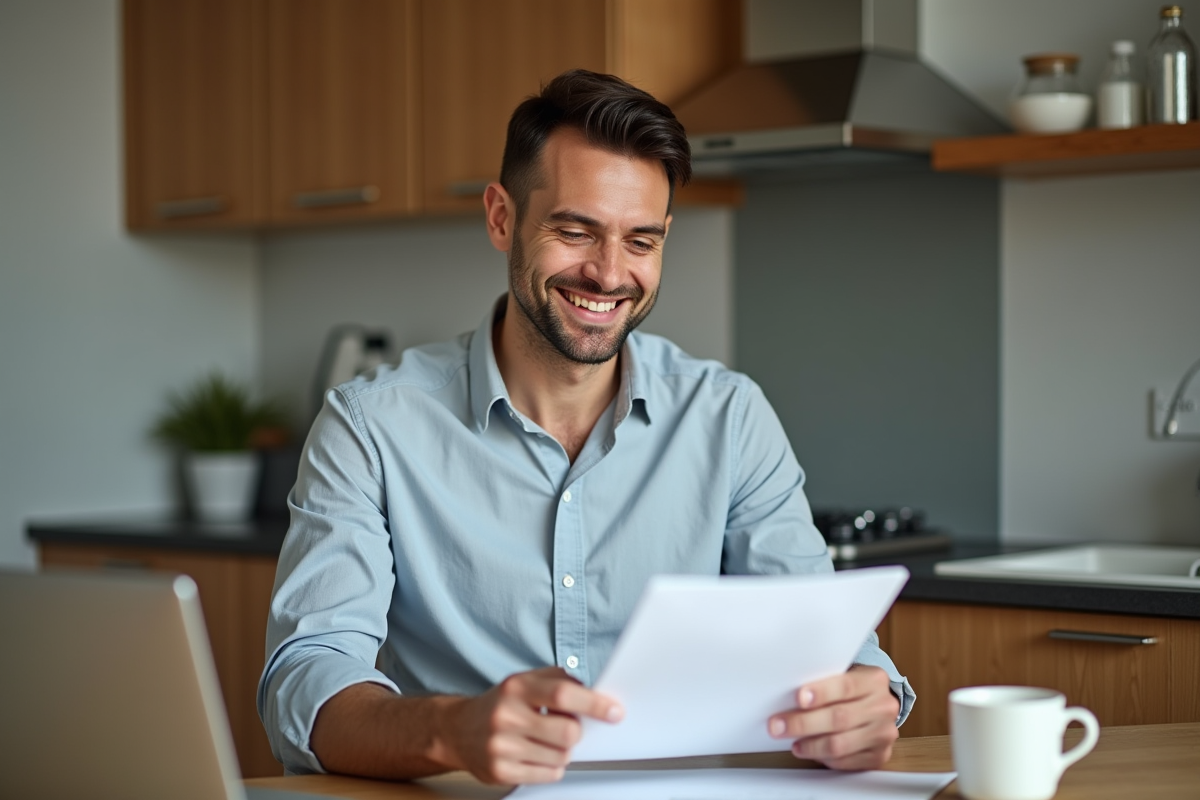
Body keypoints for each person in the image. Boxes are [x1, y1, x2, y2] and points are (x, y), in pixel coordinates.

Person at [258, 69, 914, 786]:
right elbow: (307, 676)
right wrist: (451, 729)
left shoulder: (728, 415)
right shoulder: (371, 427)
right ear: (502, 217)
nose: (608, 274)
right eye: (575, 231)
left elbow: (822, 641)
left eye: (641, 241)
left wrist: (864, 696)